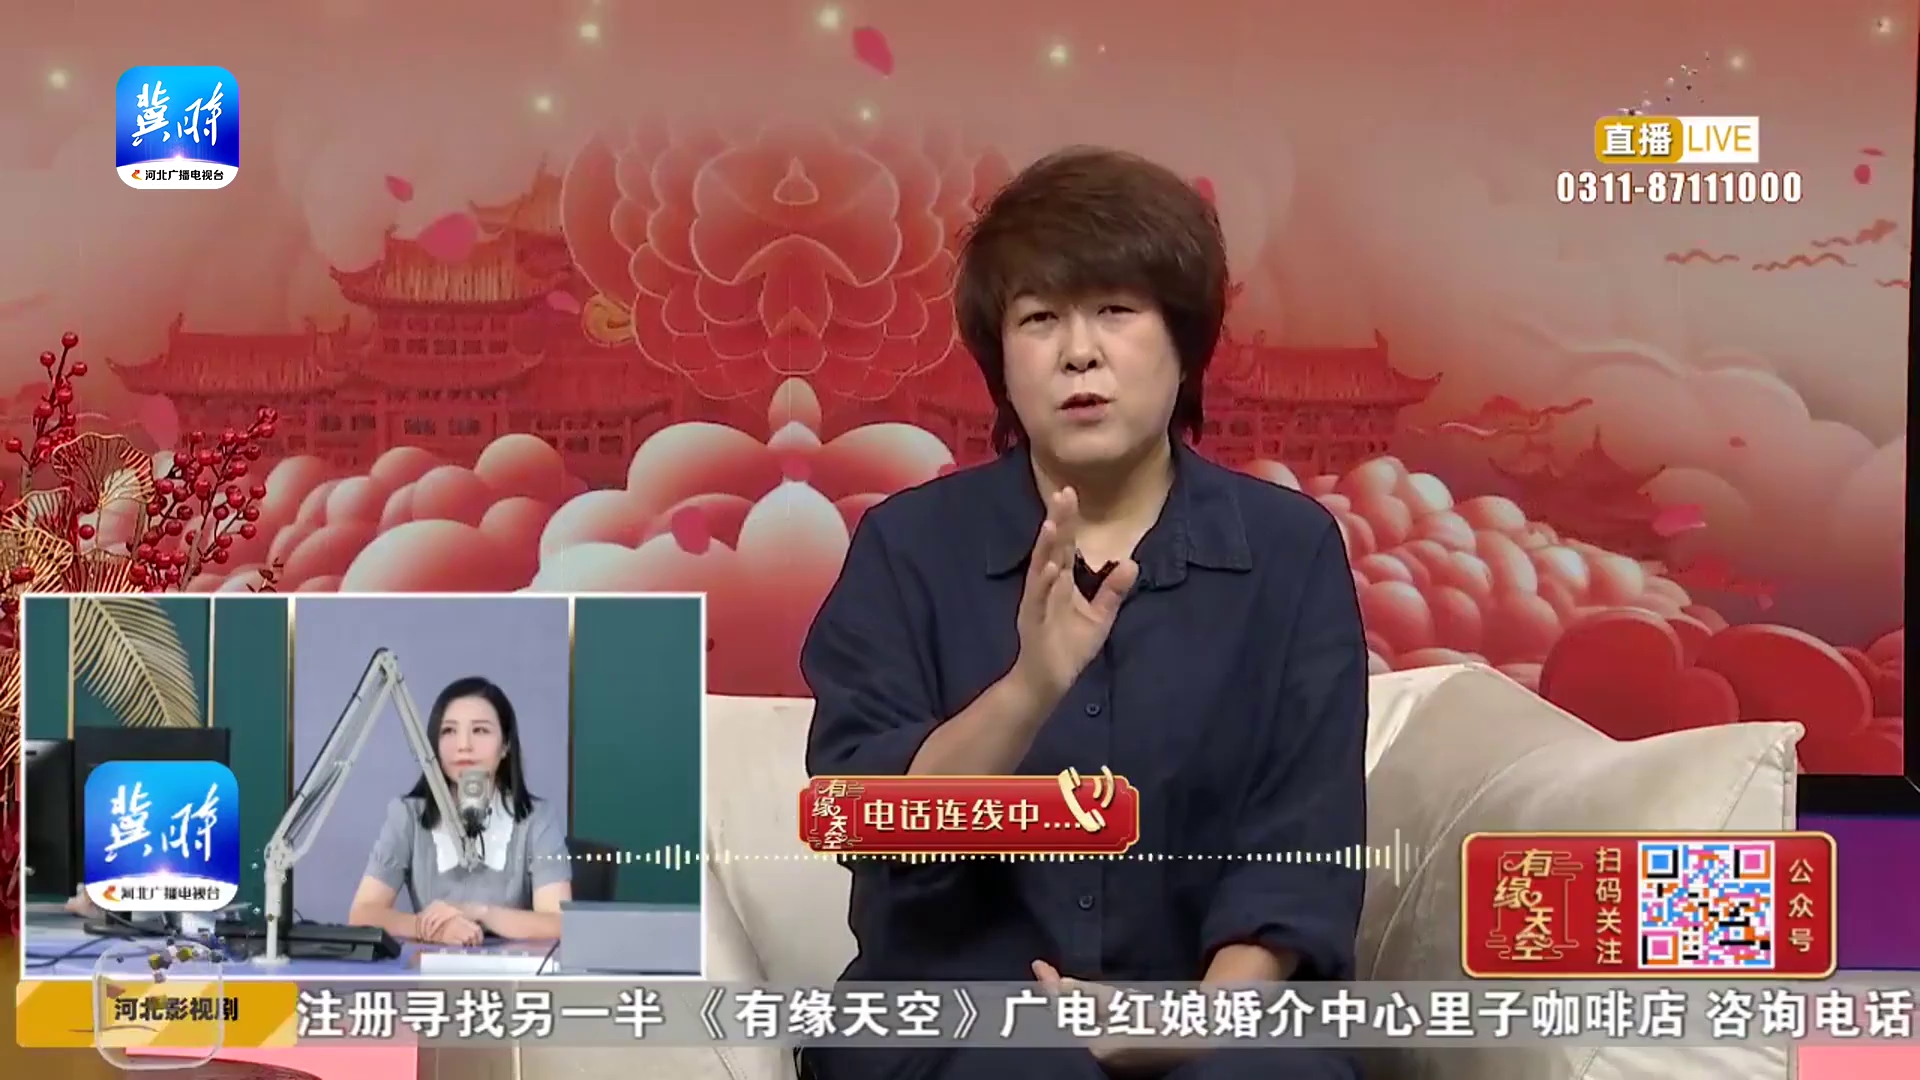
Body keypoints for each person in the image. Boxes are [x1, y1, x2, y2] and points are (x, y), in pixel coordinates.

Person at [801, 147, 1368, 1079]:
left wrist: (1193, 1023)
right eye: (1039, 319)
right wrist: (1029, 690)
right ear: (1001, 361)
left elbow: (1300, 847)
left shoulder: (1289, 551)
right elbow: (869, 823)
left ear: (1184, 342)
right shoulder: (907, 548)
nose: (1079, 352)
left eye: (1115, 310)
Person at [348, 676, 571, 945]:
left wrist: (479, 912)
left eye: (480, 730)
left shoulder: (537, 818)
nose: (463, 745)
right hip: (430, 966)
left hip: (513, 967)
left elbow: (559, 922)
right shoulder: (407, 816)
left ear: (505, 745)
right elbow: (363, 913)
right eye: (449, 731)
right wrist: (429, 928)